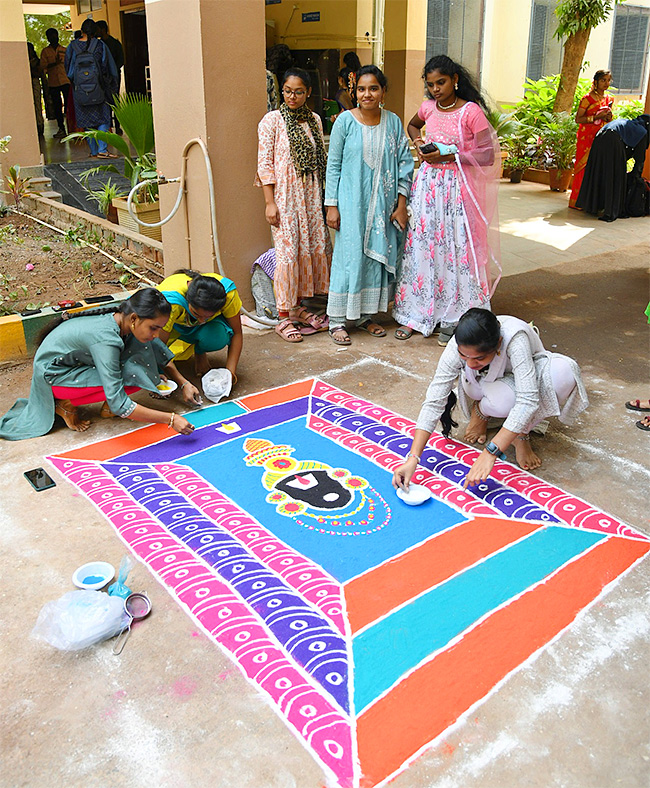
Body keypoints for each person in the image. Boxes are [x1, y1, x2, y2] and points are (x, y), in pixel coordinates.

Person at [392, 308, 589, 491]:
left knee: (565, 373)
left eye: (479, 359)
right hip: (480, 385)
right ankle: (482, 410)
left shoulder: (514, 339)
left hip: (517, 383)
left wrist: (490, 453)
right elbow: (435, 399)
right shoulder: (458, 344)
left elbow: (527, 400)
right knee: (503, 400)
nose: (469, 362)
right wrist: (413, 458)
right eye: (464, 356)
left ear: (498, 346)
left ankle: (520, 433)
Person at [393, 55, 501, 346]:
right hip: (428, 187)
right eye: (430, 85)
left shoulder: (470, 112)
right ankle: (419, 312)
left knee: (455, 248)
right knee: (426, 247)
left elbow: (487, 154)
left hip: (457, 189)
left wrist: (450, 155)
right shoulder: (428, 108)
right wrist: (419, 144)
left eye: (440, 82)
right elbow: (413, 126)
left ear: (455, 79)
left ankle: (455, 316)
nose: (436, 89)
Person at [0, 289, 199, 440]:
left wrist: (183, 383)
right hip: (53, 378)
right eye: (153, 328)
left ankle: (102, 407)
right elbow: (120, 404)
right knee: (136, 374)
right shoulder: (107, 340)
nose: (157, 334)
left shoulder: (121, 318)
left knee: (143, 367)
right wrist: (171, 419)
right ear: (134, 319)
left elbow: (156, 348)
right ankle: (64, 404)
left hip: (70, 366)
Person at [324, 65, 413, 346]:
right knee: (349, 259)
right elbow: (333, 165)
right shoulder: (344, 122)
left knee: (375, 260)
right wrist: (331, 205)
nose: (367, 94)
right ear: (355, 92)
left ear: (383, 92)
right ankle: (338, 320)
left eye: (373, 88)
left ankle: (364, 317)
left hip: (384, 207)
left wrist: (401, 204)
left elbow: (404, 164)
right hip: (351, 205)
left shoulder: (394, 122)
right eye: (361, 89)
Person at [256, 67, 332, 343]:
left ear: (308, 93)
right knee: (287, 254)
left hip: (310, 197)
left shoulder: (314, 120)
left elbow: (319, 159)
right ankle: (283, 317)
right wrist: (269, 202)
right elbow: (264, 164)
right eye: (288, 91)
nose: (292, 97)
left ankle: (298, 307)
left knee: (307, 248)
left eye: (299, 92)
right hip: (285, 198)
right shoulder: (272, 121)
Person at [157, 269, 243, 380]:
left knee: (218, 337)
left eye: (208, 317)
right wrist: (179, 382)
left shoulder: (229, 296)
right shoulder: (170, 304)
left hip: (194, 325)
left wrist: (230, 374)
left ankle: (199, 351)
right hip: (175, 327)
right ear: (188, 301)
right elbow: (158, 347)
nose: (202, 321)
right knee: (148, 354)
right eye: (196, 314)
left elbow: (237, 333)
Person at [576, 114, 650, 221]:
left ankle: (592, 206)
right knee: (616, 175)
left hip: (599, 137)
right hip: (613, 140)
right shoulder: (642, 132)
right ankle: (611, 211)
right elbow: (639, 160)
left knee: (598, 171)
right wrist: (635, 179)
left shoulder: (628, 123)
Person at [64, 18, 118, 159]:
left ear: (81, 31)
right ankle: (102, 149)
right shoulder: (100, 45)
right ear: (95, 31)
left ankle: (94, 151)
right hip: (100, 89)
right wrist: (111, 84)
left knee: (87, 120)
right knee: (104, 119)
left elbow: (68, 70)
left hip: (80, 90)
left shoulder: (72, 47)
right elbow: (109, 67)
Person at [569, 69, 613, 209]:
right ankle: (577, 201)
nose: (606, 83)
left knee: (596, 167)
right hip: (586, 138)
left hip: (600, 137)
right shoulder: (587, 99)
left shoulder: (607, 99)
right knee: (583, 168)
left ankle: (590, 201)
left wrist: (607, 116)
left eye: (608, 80)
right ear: (596, 82)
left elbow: (607, 118)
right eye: (603, 80)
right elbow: (578, 119)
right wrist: (596, 117)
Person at [40, 27, 71, 139]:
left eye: (55, 35)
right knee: (57, 107)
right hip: (53, 83)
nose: (54, 38)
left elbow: (69, 64)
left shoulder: (64, 49)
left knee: (68, 105)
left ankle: (71, 128)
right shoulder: (45, 52)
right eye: (51, 36)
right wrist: (54, 63)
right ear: (48, 38)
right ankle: (61, 129)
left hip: (65, 81)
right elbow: (42, 67)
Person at [95, 20, 124, 134]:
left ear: (102, 29)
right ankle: (109, 126)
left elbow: (121, 60)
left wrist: (111, 72)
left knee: (115, 101)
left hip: (113, 78)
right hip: (102, 78)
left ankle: (117, 125)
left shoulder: (114, 44)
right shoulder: (97, 45)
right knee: (104, 101)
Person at [27, 43, 44, 137]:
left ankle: (39, 124)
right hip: (26, 83)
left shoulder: (36, 61)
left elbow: (38, 73)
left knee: (37, 104)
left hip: (34, 82)